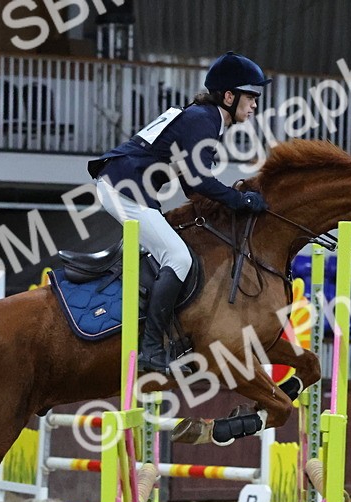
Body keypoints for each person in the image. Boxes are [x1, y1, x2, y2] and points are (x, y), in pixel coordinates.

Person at [87, 51, 271, 376]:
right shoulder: (205, 120)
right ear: (229, 97)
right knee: (179, 258)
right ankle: (151, 349)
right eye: (250, 97)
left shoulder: (204, 117)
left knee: (168, 253)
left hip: (126, 186)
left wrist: (224, 203)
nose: (255, 105)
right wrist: (240, 200)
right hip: (124, 188)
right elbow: (199, 180)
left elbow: (190, 181)